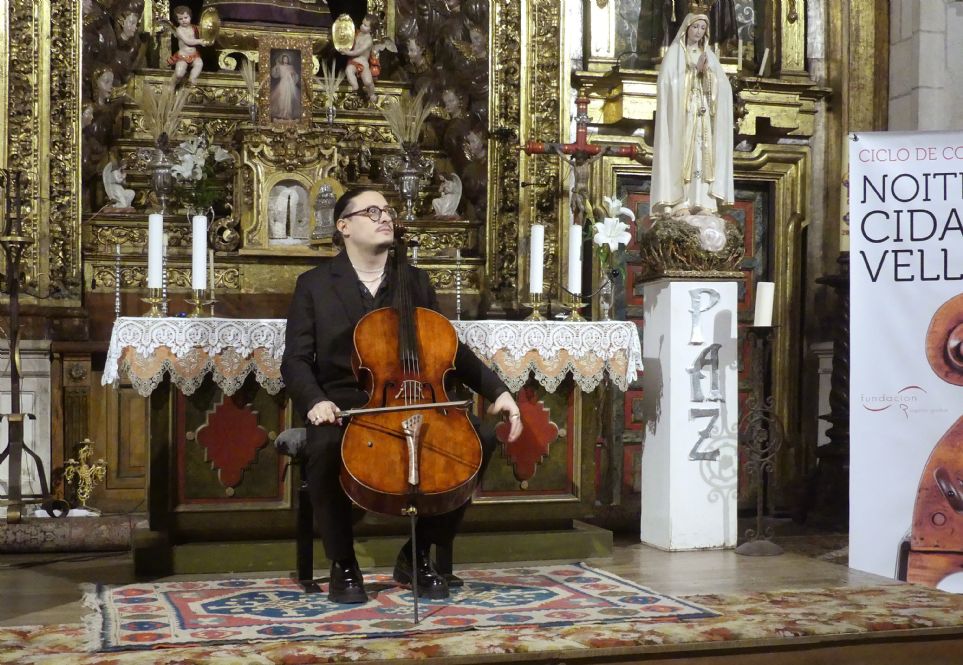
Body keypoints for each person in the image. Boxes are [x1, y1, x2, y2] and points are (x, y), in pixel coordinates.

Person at [281, 188, 522, 604]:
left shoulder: (414, 281)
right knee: (324, 446)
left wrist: (498, 391)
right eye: (372, 211)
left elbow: (449, 347)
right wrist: (316, 401)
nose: (384, 218)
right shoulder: (314, 285)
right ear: (344, 226)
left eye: (387, 211)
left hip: (414, 398)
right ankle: (343, 563)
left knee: (478, 439)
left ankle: (417, 554)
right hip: (345, 406)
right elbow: (296, 360)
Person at [650, 12, 734, 220]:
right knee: (683, 152)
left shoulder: (709, 54)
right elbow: (667, 84)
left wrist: (708, 76)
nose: (698, 32)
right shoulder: (675, 54)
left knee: (702, 154)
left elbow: (723, 87)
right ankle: (681, 201)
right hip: (683, 117)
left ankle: (704, 201)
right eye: (695, 27)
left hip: (702, 115)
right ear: (687, 28)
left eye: (703, 28)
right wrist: (692, 73)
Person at [163, 6, 204, 86]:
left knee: (199, 64)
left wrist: (206, 40)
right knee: (179, 73)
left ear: (190, 17)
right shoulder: (179, 30)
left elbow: (203, 34)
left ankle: (192, 78)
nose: (184, 20)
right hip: (183, 56)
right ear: (177, 20)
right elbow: (187, 41)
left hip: (194, 55)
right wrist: (200, 41)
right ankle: (172, 84)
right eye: (180, 19)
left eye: (186, 17)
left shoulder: (194, 28)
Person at [270, 53, 301, 120]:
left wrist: (292, 74)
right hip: (282, 83)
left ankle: (287, 113)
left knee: (288, 98)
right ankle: (282, 112)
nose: (285, 60)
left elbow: (295, 76)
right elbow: (275, 75)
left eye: (286, 59)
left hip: (289, 84)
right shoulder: (280, 66)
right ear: (282, 60)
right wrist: (276, 66)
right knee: (282, 98)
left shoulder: (291, 67)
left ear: (288, 60)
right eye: (284, 59)